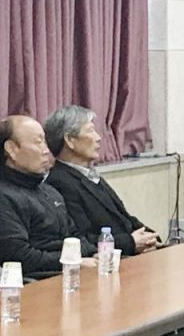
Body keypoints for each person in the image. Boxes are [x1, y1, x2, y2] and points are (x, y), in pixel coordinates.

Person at [43, 105, 160, 256]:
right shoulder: (59, 182)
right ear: (70, 140)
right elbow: (81, 238)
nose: (98, 138)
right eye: (90, 131)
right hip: (108, 260)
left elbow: (124, 218)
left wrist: (151, 237)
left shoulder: (90, 175)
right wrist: (131, 243)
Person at [0, 115, 96, 277]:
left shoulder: (49, 191)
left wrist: (94, 253)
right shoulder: (4, 197)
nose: (46, 151)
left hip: (71, 271)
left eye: (45, 142)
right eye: (38, 142)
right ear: (11, 149)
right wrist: (73, 262)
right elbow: (20, 257)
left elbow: (74, 235)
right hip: (39, 281)